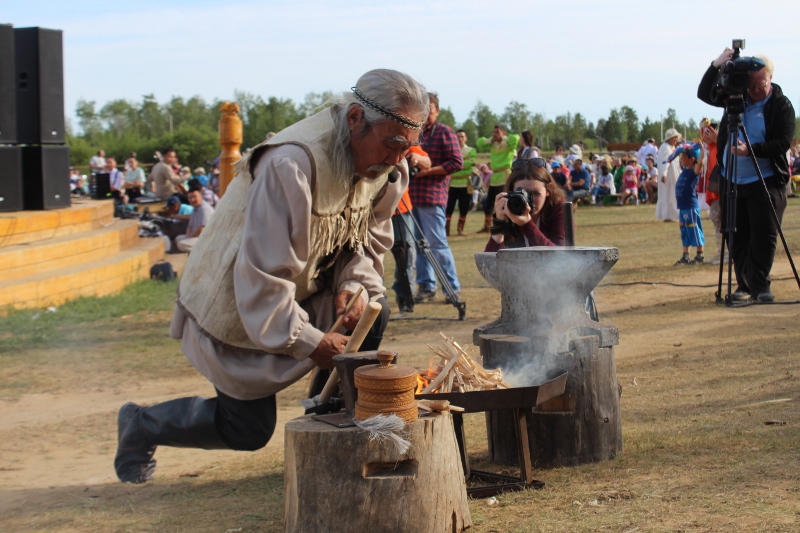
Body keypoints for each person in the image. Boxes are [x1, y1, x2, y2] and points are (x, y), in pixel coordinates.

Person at [114, 69, 427, 484]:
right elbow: (261, 279)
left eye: (407, 148)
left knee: (371, 310)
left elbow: (366, 242)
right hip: (241, 299)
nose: (397, 159)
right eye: (391, 144)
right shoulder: (290, 164)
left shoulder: (388, 168)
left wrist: (353, 284)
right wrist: (312, 342)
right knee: (246, 430)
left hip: (301, 289)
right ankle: (141, 424)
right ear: (355, 119)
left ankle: (330, 434)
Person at [697, 49, 795, 302]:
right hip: (733, 180)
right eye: (752, 85)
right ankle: (743, 285)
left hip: (766, 179)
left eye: (761, 84)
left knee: (764, 234)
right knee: (736, 234)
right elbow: (704, 93)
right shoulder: (735, 99)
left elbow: (782, 142)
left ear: (770, 78)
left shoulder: (780, 105)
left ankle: (761, 286)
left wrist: (750, 150)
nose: (756, 90)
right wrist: (717, 64)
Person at [409, 92, 463, 304]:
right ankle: (426, 286)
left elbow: (457, 162)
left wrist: (429, 171)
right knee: (420, 245)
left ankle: (451, 288)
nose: (425, 114)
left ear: (437, 111)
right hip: (412, 196)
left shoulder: (444, 132)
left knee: (437, 244)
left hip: (432, 196)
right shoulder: (414, 133)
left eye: (429, 110)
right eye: (421, 110)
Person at [484, 157, 566, 251]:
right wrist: (499, 225)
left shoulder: (559, 207)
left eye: (536, 193)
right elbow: (489, 262)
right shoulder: (509, 208)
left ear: (548, 190)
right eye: (521, 193)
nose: (529, 200)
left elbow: (561, 255)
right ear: (510, 192)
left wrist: (526, 225)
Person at [476, 125, 519, 233]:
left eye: (498, 132)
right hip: (495, 176)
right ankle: (487, 226)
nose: (495, 134)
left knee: (505, 200)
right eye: (494, 132)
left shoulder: (508, 144)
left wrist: (503, 138)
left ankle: (507, 225)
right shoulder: (492, 143)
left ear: (503, 133)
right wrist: (492, 139)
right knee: (490, 201)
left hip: (505, 175)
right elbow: (479, 143)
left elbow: (516, 138)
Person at [669, 143, 705, 265]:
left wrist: (702, 149)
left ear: (692, 159)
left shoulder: (693, 172)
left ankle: (699, 256)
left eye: (684, 156)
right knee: (685, 232)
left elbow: (700, 163)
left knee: (694, 229)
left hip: (690, 207)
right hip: (683, 208)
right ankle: (685, 256)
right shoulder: (684, 170)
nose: (681, 159)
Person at [446, 130, 476, 236]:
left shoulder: (471, 150)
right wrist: (464, 163)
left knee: (464, 207)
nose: (460, 139)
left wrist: (457, 164)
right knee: (449, 207)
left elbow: (470, 164)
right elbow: (449, 164)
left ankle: (460, 229)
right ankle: (446, 229)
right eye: (458, 137)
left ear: (466, 138)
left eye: (462, 137)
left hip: (465, 184)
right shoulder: (450, 149)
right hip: (452, 184)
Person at [656, 129, 681, 221]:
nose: (676, 139)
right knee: (668, 194)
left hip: (673, 175)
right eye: (674, 137)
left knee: (672, 194)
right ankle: (668, 215)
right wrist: (664, 174)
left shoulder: (671, 147)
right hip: (668, 176)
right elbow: (665, 162)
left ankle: (672, 215)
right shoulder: (665, 147)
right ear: (669, 138)